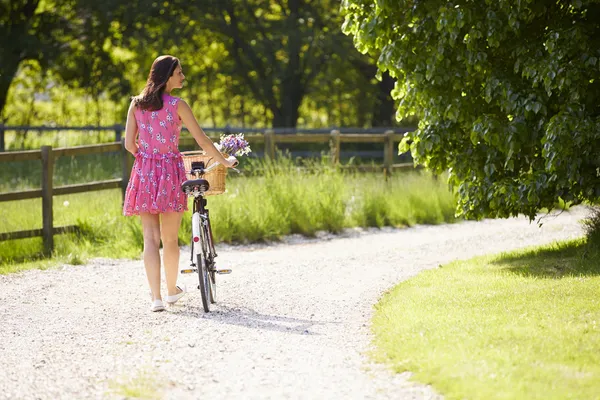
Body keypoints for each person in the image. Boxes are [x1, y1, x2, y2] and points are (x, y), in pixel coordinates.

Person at [122, 55, 237, 312]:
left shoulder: (136, 105)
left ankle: (156, 299)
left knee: (150, 239)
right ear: (167, 76)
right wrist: (225, 161)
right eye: (179, 73)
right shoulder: (177, 105)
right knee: (170, 239)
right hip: (170, 173)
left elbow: (129, 145)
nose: (183, 77)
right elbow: (203, 141)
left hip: (144, 172)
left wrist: (147, 158)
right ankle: (172, 291)